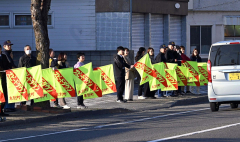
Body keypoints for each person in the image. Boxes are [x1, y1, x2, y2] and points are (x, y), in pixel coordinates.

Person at [2, 40, 16, 112]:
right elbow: (10, 64)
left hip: (10, 74)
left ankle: (10, 106)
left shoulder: (9, 53)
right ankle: (7, 107)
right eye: (8, 45)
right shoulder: (5, 54)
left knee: (10, 90)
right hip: (6, 75)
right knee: (8, 91)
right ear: (4, 47)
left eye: (10, 45)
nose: (9, 47)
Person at [0, 45, 13, 116]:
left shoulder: (4, 56)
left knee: (4, 95)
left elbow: (8, 65)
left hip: (4, 79)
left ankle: (1, 110)